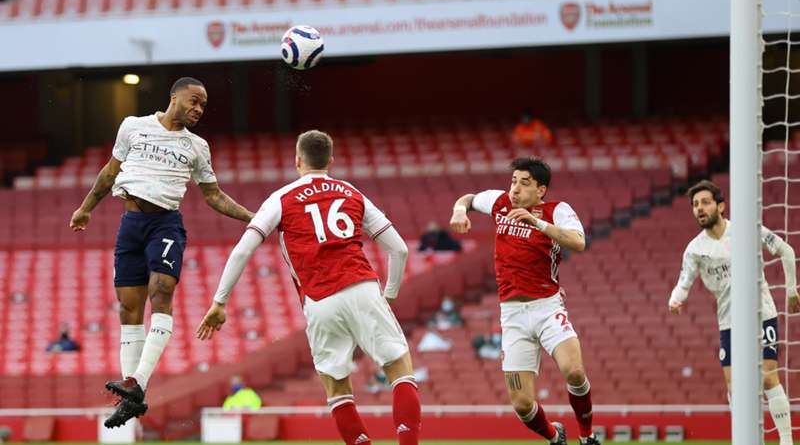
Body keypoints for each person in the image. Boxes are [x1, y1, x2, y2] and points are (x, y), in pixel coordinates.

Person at [195, 130, 421, 445]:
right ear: (330, 160)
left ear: (297, 160)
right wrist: (390, 295)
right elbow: (399, 250)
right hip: (362, 286)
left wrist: (220, 302)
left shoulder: (281, 198)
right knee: (400, 371)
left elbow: (243, 250)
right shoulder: (351, 192)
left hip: (318, 300)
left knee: (338, 391)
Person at [68, 77, 255, 428]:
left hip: (165, 225)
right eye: (194, 101)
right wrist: (85, 208)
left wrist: (253, 217)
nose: (198, 109)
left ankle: (137, 381)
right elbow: (110, 172)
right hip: (130, 225)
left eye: (203, 105)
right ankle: (130, 392)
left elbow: (213, 195)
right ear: (174, 97)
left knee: (161, 293)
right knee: (128, 307)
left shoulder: (196, 146)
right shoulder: (133, 127)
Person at [449, 157, 598, 445]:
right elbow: (469, 198)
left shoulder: (558, 210)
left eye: (524, 183)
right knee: (522, 405)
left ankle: (587, 436)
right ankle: (555, 437)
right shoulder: (500, 203)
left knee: (575, 372)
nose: (515, 189)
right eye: (514, 181)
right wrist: (459, 210)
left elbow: (579, 242)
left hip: (547, 306)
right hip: (512, 315)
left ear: (541, 190)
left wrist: (538, 222)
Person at [669, 180, 799, 445]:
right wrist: (675, 300)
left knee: (767, 376)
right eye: (695, 205)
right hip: (729, 321)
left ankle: (786, 440)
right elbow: (684, 282)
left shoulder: (747, 231)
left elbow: (785, 249)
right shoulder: (695, 249)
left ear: (721, 206)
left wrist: (792, 290)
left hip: (761, 312)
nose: (699, 209)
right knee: (734, 386)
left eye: (705, 202)